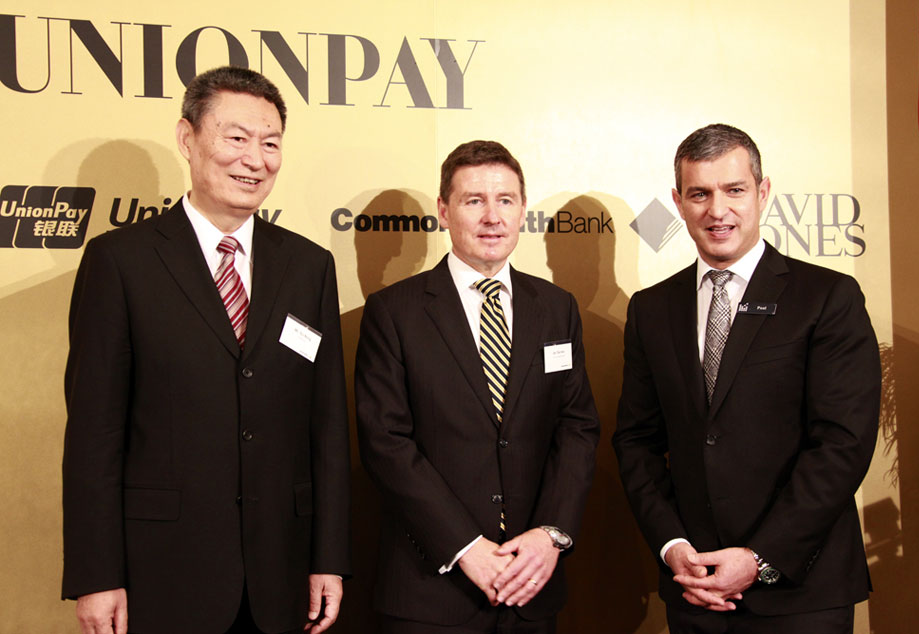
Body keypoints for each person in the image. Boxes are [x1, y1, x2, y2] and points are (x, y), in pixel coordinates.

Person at [62, 66, 350, 634]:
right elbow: (94, 433)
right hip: (162, 571)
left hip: (282, 570)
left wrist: (329, 559)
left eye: (270, 143)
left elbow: (328, 428)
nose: (255, 158)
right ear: (187, 139)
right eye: (236, 138)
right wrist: (96, 573)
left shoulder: (309, 266)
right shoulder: (121, 262)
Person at [613, 123, 880, 633]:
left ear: (763, 192)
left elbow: (842, 444)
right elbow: (636, 441)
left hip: (802, 591)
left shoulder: (827, 297)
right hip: (695, 587)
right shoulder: (651, 310)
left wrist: (759, 557)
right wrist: (673, 546)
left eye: (734, 190)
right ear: (678, 200)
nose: (718, 211)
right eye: (700, 193)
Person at [355, 140, 600, 633]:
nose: (493, 216)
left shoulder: (556, 307)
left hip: (532, 585)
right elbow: (385, 442)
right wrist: (466, 547)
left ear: (522, 210)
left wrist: (550, 535)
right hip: (432, 591)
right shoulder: (394, 312)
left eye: (505, 200)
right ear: (444, 212)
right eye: (474, 201)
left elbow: (577, 428)